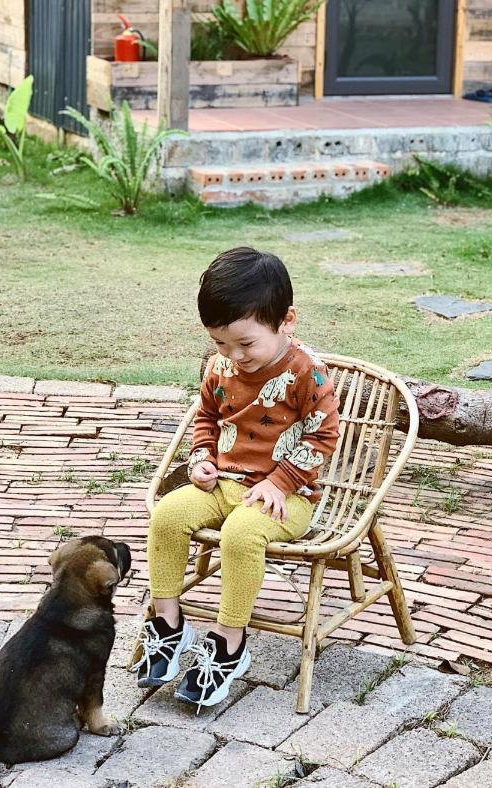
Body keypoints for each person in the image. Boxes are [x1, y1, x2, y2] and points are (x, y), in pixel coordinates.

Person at [132, 247, 340, 710]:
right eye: (221, 343)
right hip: (223, 484)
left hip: (288, 498)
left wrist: (282, 481)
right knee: (168, 513)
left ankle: (229, 643)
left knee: (241, 534)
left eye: (246, 344)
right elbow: (206, 415)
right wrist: (202, 455)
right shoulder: (220, 365)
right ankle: (168, 623)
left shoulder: (307, 372)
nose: (233, 355)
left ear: (287, 321)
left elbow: (324, 436)